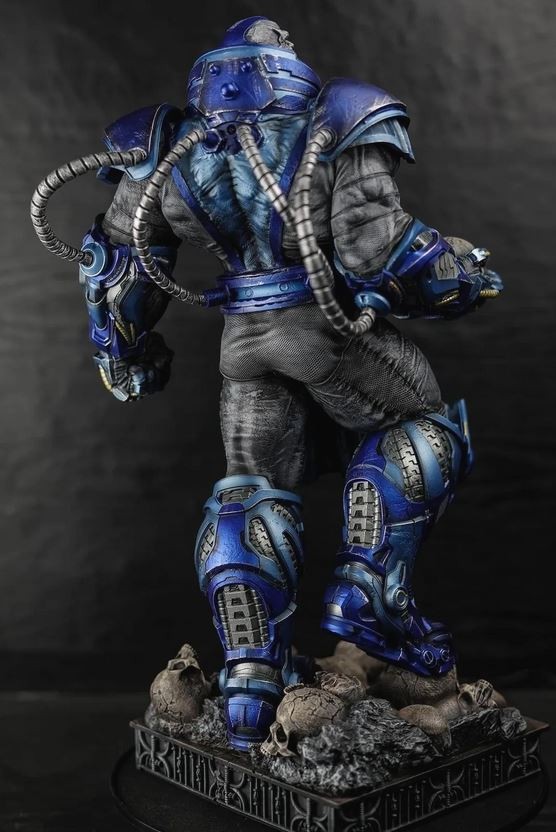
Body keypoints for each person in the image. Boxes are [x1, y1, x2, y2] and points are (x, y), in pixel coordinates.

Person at [76, 16, 503, 750]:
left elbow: (119, 269)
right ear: (285, 65)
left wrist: (126, 353)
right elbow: (375, 251)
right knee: (424, 429)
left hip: (243, 343)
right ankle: (368, 593)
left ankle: (250, 678)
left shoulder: (168, 143)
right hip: (323, 329)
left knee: (248, 488)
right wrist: (461, 275)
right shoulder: (340, 116)